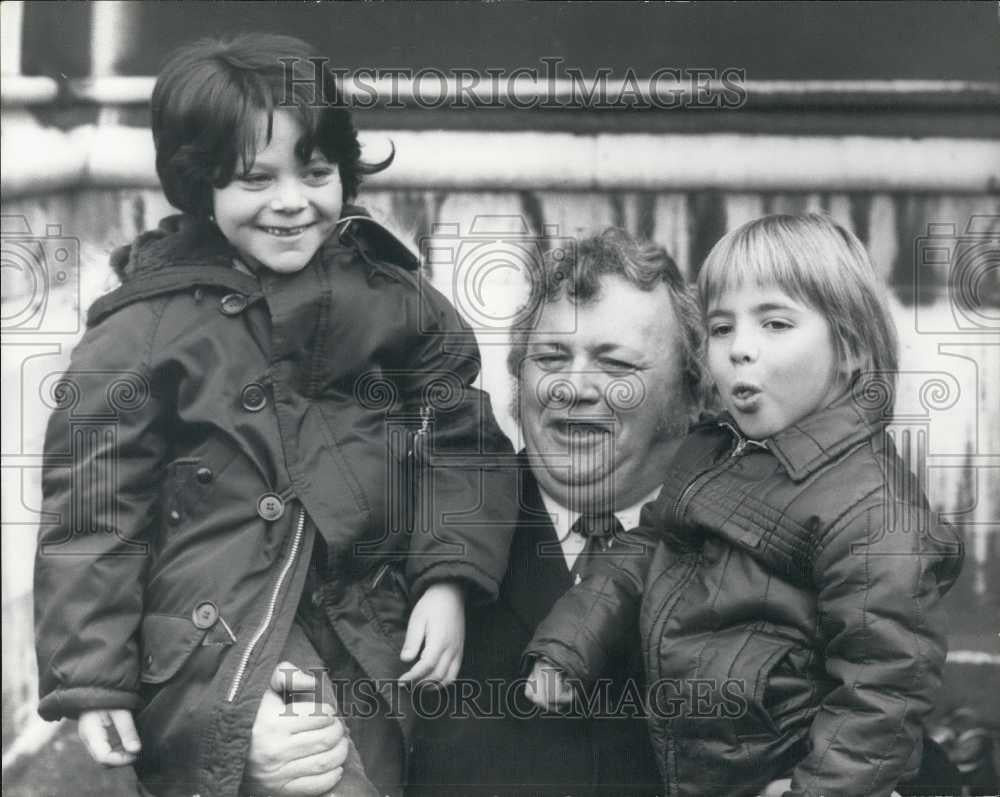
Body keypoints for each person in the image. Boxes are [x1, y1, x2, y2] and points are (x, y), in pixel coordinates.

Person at [32, 33, 517, 797]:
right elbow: (93, 509)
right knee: (314, 771)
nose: (292, 202)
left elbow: (464, 438)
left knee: (392, 766)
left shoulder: (390, 293)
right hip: (225, 620)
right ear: (200, 187)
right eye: (256, 179)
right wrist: (91, 677)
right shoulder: (143, 325)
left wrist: (449, 578)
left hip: (369, 611)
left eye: (316, 172)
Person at [524, 214, 965, 797]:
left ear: (852, 348)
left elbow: (886, 687)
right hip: (694, 761)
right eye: (722, 328)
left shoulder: (873, 506)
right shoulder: (715, 448)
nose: (741, 350)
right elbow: (650, 544)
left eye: (776, 323)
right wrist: (570, 643)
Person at [407, 228, 704, 795]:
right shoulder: (432, 530)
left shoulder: (747, 544)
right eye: (549, 357)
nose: (573, 386)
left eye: (616, 365)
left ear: (692, 394)